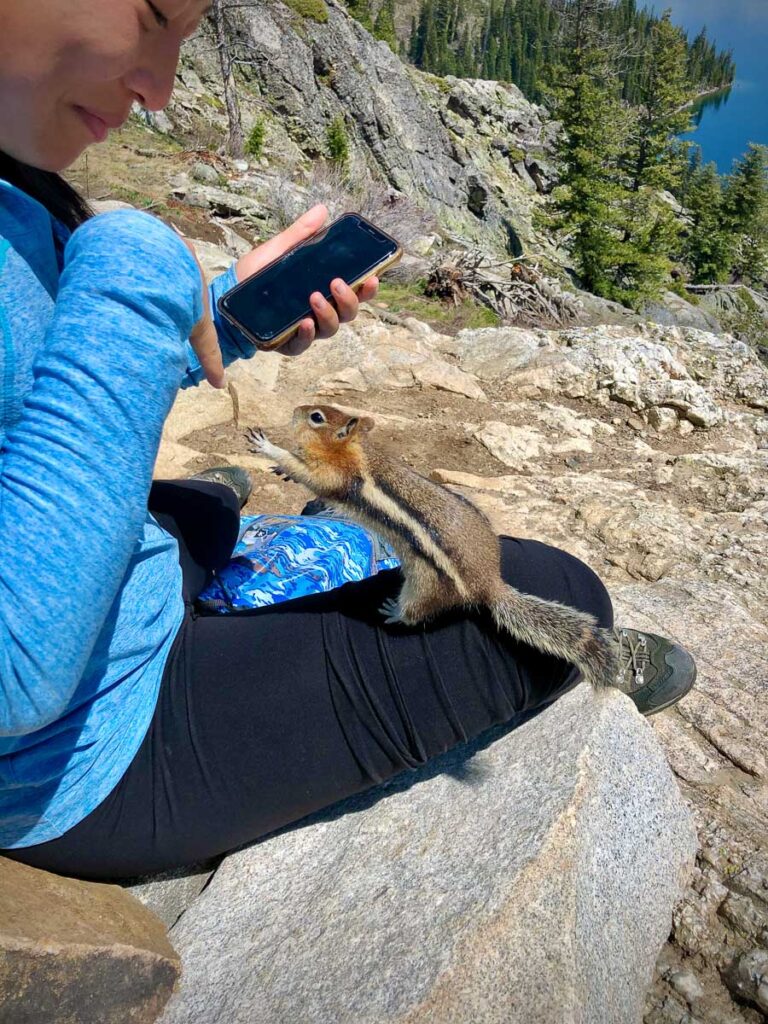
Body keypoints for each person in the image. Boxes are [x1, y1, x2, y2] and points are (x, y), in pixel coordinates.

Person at [0, 0, 695, 882]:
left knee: (198, 512)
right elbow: (18, 675)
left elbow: (32, 386)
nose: (163, 90)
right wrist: (134, 265)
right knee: (556, 592)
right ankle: (204, 529)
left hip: (100, 578)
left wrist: (223, 319)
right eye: (152, 13)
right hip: (80, 750)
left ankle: (205, 515)